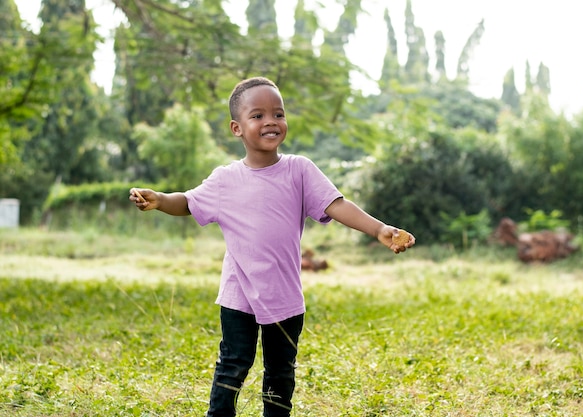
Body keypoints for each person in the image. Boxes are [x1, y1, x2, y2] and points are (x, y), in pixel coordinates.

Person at [129, 76, 415, 417]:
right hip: (239, 293)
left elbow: (336, 204)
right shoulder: (225, 179)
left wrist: (379, 229)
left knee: (280, 371)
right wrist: (160, 199)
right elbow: (188, 202)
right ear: (237, 128)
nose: (270, 122)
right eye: (258, 115)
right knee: (233, 364)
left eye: (278, 114)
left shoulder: (299, 170)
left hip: (284, 294)